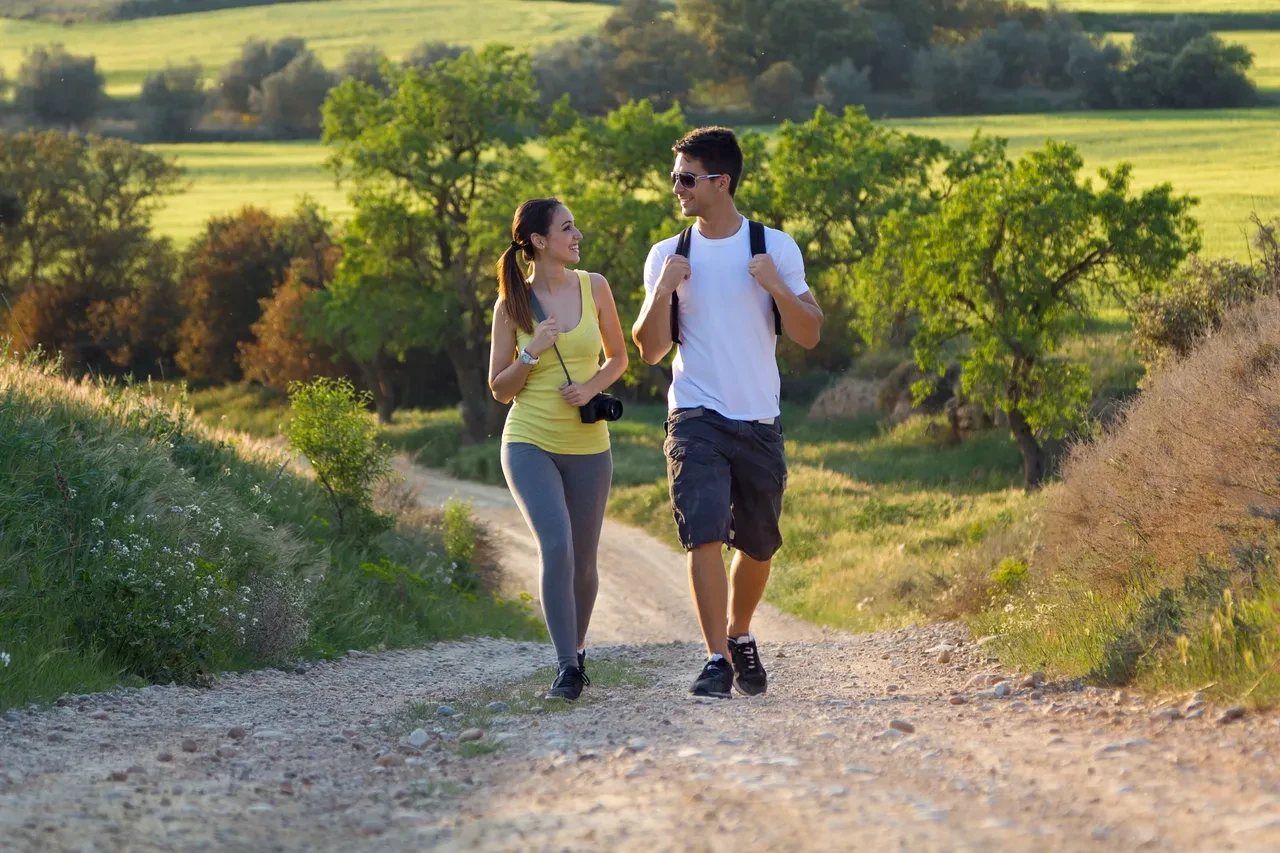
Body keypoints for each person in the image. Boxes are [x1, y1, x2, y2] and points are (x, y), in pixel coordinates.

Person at [632, 127, 824, 698]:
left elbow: (810, 334)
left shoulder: (774, 247)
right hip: (695, 413)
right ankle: (716, 657)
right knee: (705, 533)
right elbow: (650, 349)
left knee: (759, 543)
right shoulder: (668, 255)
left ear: (722, 182)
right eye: (675, 178)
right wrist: (661, 291)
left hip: (758, 416)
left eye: (687, 179)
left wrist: (776, 288)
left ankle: (739, 633)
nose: (678, 189)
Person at [488, 197, 629, 701]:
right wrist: (531, 352)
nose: (578, 236)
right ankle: (567, 667)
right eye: (568, 229)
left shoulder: (596, 287)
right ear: (540, 242)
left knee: (585, 561)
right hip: (530, 440)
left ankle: (579, 646)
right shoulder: (512, 305)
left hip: (589, 443)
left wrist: (591, 388)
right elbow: (501, 389)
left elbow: (618, 358)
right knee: (557, 547)